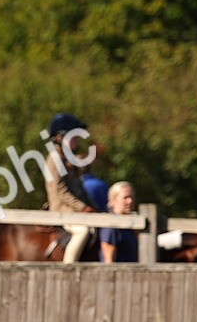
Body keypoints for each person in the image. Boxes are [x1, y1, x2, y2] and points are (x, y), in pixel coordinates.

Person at [44, 113, 97, 262]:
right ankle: (68, 268)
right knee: (83, 231)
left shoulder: (69, 159)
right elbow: (59, 191)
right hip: (62, 211)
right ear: (60, 138)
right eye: (74, 136)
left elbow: (80, 189)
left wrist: (94, 207)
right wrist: (82, 207)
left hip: (74, 210)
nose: (77, 139)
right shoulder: (54, 159)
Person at [97, 181, 139, 263]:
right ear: (113, 200)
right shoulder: (111, 227)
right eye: (125, 198)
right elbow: (108, 262)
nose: (130, 201)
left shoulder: (131, 224)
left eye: (131, 197)